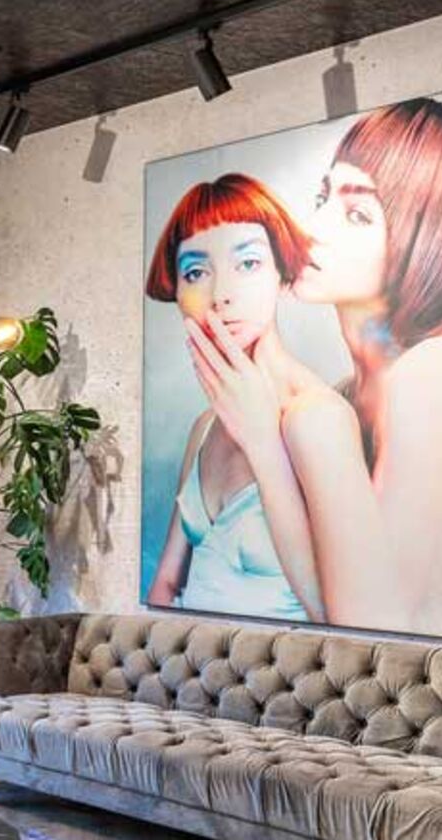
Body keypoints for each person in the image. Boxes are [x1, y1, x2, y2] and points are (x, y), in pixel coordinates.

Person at [195, 99, 442, 636]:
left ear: (428, 242)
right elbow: (326, 607)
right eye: (322, 197)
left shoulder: (441, 370)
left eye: (357, 214)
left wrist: (264, 443)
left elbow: (373, 624)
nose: (311, 228)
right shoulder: (343, 399)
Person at [141, 172, 336, 622]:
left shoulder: (318, 416)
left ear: (282, 275)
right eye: (196, 273)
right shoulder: (206, 426)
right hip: (184, 657)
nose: (221, 295)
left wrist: (263, 441)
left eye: (247, 263)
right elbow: (166, 583)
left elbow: (334, 613)